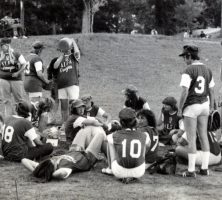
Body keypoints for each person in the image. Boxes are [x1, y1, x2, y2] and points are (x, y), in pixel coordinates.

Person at [22, 116, 107, 182]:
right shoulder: (64, 169)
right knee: (100, 135)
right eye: (52, 161)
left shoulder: (44, 167)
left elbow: (24, 160)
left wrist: (37, 171)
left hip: (73, 151)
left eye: (52, 160)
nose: (53, 159)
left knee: (85, 128)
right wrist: (50, 175)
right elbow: (59, 174)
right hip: (87, 158)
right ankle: (110, 159)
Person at [178, 45, 215, 177]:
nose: (184, 60)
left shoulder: (188, 69)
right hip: (205, 104)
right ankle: (204, 169)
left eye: (184, 57)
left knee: (192, 138)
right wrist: (211, 107)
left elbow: (184, 91)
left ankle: (191, 170)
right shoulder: (207, 69)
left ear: (189, 56)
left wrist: (179, 107)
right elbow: (211, 90)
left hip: (192, 105)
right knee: (203, 136)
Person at [102, 108, 150, 183]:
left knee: (110, 142)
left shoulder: (115, 135)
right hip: (139, 171)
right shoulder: (144, 135)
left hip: (119, 171)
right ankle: (132, 172)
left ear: (121, 122)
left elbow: (105, 139)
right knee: (145, 144)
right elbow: (148, 145)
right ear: (135, 121)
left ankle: (110, 169)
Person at [54, 37, 80, 128]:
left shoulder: (73, 56)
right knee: (64, 106)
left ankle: (75, 123)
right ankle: (65, 124)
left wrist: (73, 41)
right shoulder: (60, 58)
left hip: (72, 83)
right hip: (62, 85)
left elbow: (77, 52)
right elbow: (55, 66)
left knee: (74, 104)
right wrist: (62, 53)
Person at [0, 37, 27, 118]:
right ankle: (9, 118)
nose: (1, 47)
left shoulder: (16, 53)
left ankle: (21, 116)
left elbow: (24, 64)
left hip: (16, 80)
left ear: (7, 45)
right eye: (1, 46)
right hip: (3, 79)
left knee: (19, 100)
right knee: (6, 100)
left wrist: (18, 72)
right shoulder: (0, 54)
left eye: (2, 46)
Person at [47, 57, 60, 125]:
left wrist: (49, 78)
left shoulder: (54, 59)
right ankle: (51, 118)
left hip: (56, 81)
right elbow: (49, 68)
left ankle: (51, 118)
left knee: (55, 99)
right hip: (56, 82)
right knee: (55, 100)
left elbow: (48, 68)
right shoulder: (55, 60)